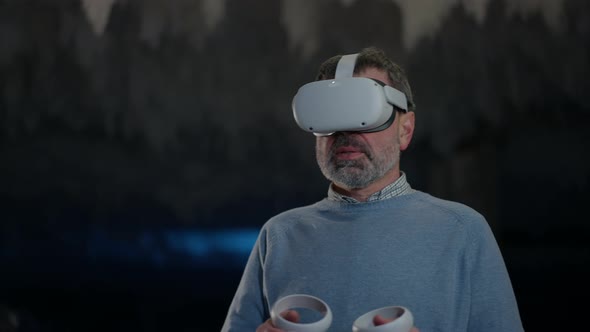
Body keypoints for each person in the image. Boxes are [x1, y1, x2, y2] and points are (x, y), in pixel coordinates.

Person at [221, 46, 524, 332]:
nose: (345, 132)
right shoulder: (278, 236)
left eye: (364, 112)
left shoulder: (463, 232)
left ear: (405, 129)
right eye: (329, 115)